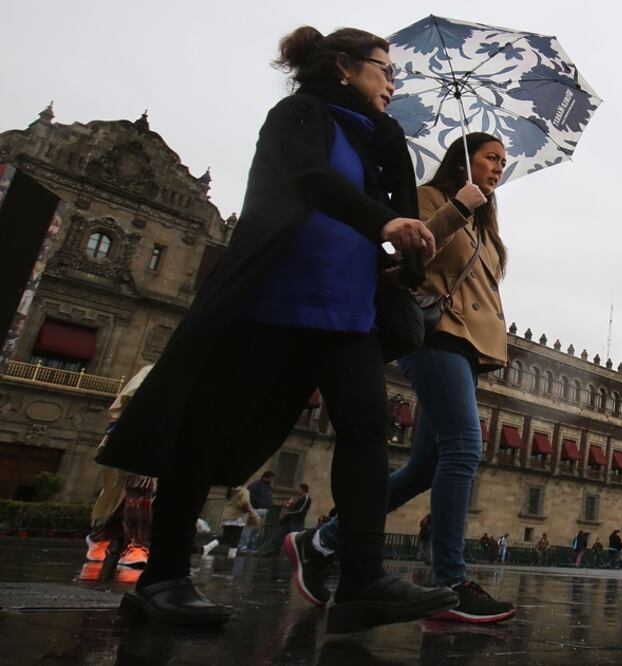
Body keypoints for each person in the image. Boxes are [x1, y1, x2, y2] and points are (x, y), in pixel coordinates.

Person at [98, 25, 455, 631]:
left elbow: (399, 218)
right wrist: (383, 223)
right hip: (275, 297)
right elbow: (308, 182)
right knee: (207, 428)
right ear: (343, 66)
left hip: (349, 313)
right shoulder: (299, 115)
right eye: (384, 70)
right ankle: (160, 579)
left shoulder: (385, 140)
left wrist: (408, 257)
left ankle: (363, 580)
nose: (393, 84)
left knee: (367, 432)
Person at [287, 130, 515, 623]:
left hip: (469, 347)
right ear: (464, 160)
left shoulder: (486, 224)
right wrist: (458, 206)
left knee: (423, 469)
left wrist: (475, 214)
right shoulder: (430, 198)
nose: (499, 168)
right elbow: (402, 256)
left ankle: (320, 541)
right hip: (433, 335)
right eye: (491, 158)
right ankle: (448, 580)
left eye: (503, 162)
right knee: (464, 448)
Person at [85, 365, 155, 571]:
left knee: (126, 497)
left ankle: (100, 537)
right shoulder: (152, 371)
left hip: (158, 442)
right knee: (139, 488)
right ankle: (136, 546)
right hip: (133, 439)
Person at [265, 483, 311, 556]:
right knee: (280, 535)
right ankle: (274, 551)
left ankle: (295, 554)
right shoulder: (298, 498)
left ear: (303, 490)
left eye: (299, 489)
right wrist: (289, 506)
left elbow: (301, 510)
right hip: (289, 520)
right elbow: (293, 507)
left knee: (294, 538)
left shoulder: (306, 498)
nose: (297, 490)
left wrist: (289, 513)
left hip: (296, 521)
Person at [220, 486, 261, 559]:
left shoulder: (231, 489)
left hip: (227, 516)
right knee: (236, 537)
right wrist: (252, 512)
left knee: (225, 537)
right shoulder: (244, 491)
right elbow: (246, 502)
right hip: (238, 517)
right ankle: (231, 556)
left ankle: (207, 547)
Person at [239, 471, 275, 553]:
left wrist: (268, 504)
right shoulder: (256, 484)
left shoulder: (268, 486)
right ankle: (243, 546)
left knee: (256, 529)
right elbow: (251, 495)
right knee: (249, 528)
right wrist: (258, 503)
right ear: (265, 477)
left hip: (264, 510)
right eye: (271, 478)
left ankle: (251, 546)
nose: (272, 480)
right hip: (256, 509)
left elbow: (268, 496)